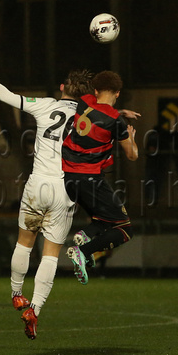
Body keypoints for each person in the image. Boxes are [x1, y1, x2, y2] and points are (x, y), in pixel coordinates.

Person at [0, 55, 94, 339]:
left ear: (62, 88)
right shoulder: (87, 119)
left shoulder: (46, 105)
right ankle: (35, 309)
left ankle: (16, 293)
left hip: (38, 185)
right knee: (51, 255)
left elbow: (5, 95)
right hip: (64, 189)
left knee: (24, 242)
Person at [62, 70, 139, 284]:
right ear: (117, 93)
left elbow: (98, 111)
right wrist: (131, 137)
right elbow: (132, 156)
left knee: (103, 220)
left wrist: (121, 112)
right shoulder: (115, 122)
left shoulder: (84, 101)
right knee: (124, 229)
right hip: (90, 180)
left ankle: (85, 234)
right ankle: (84, 251)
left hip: (68, 178)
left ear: (95, 90)